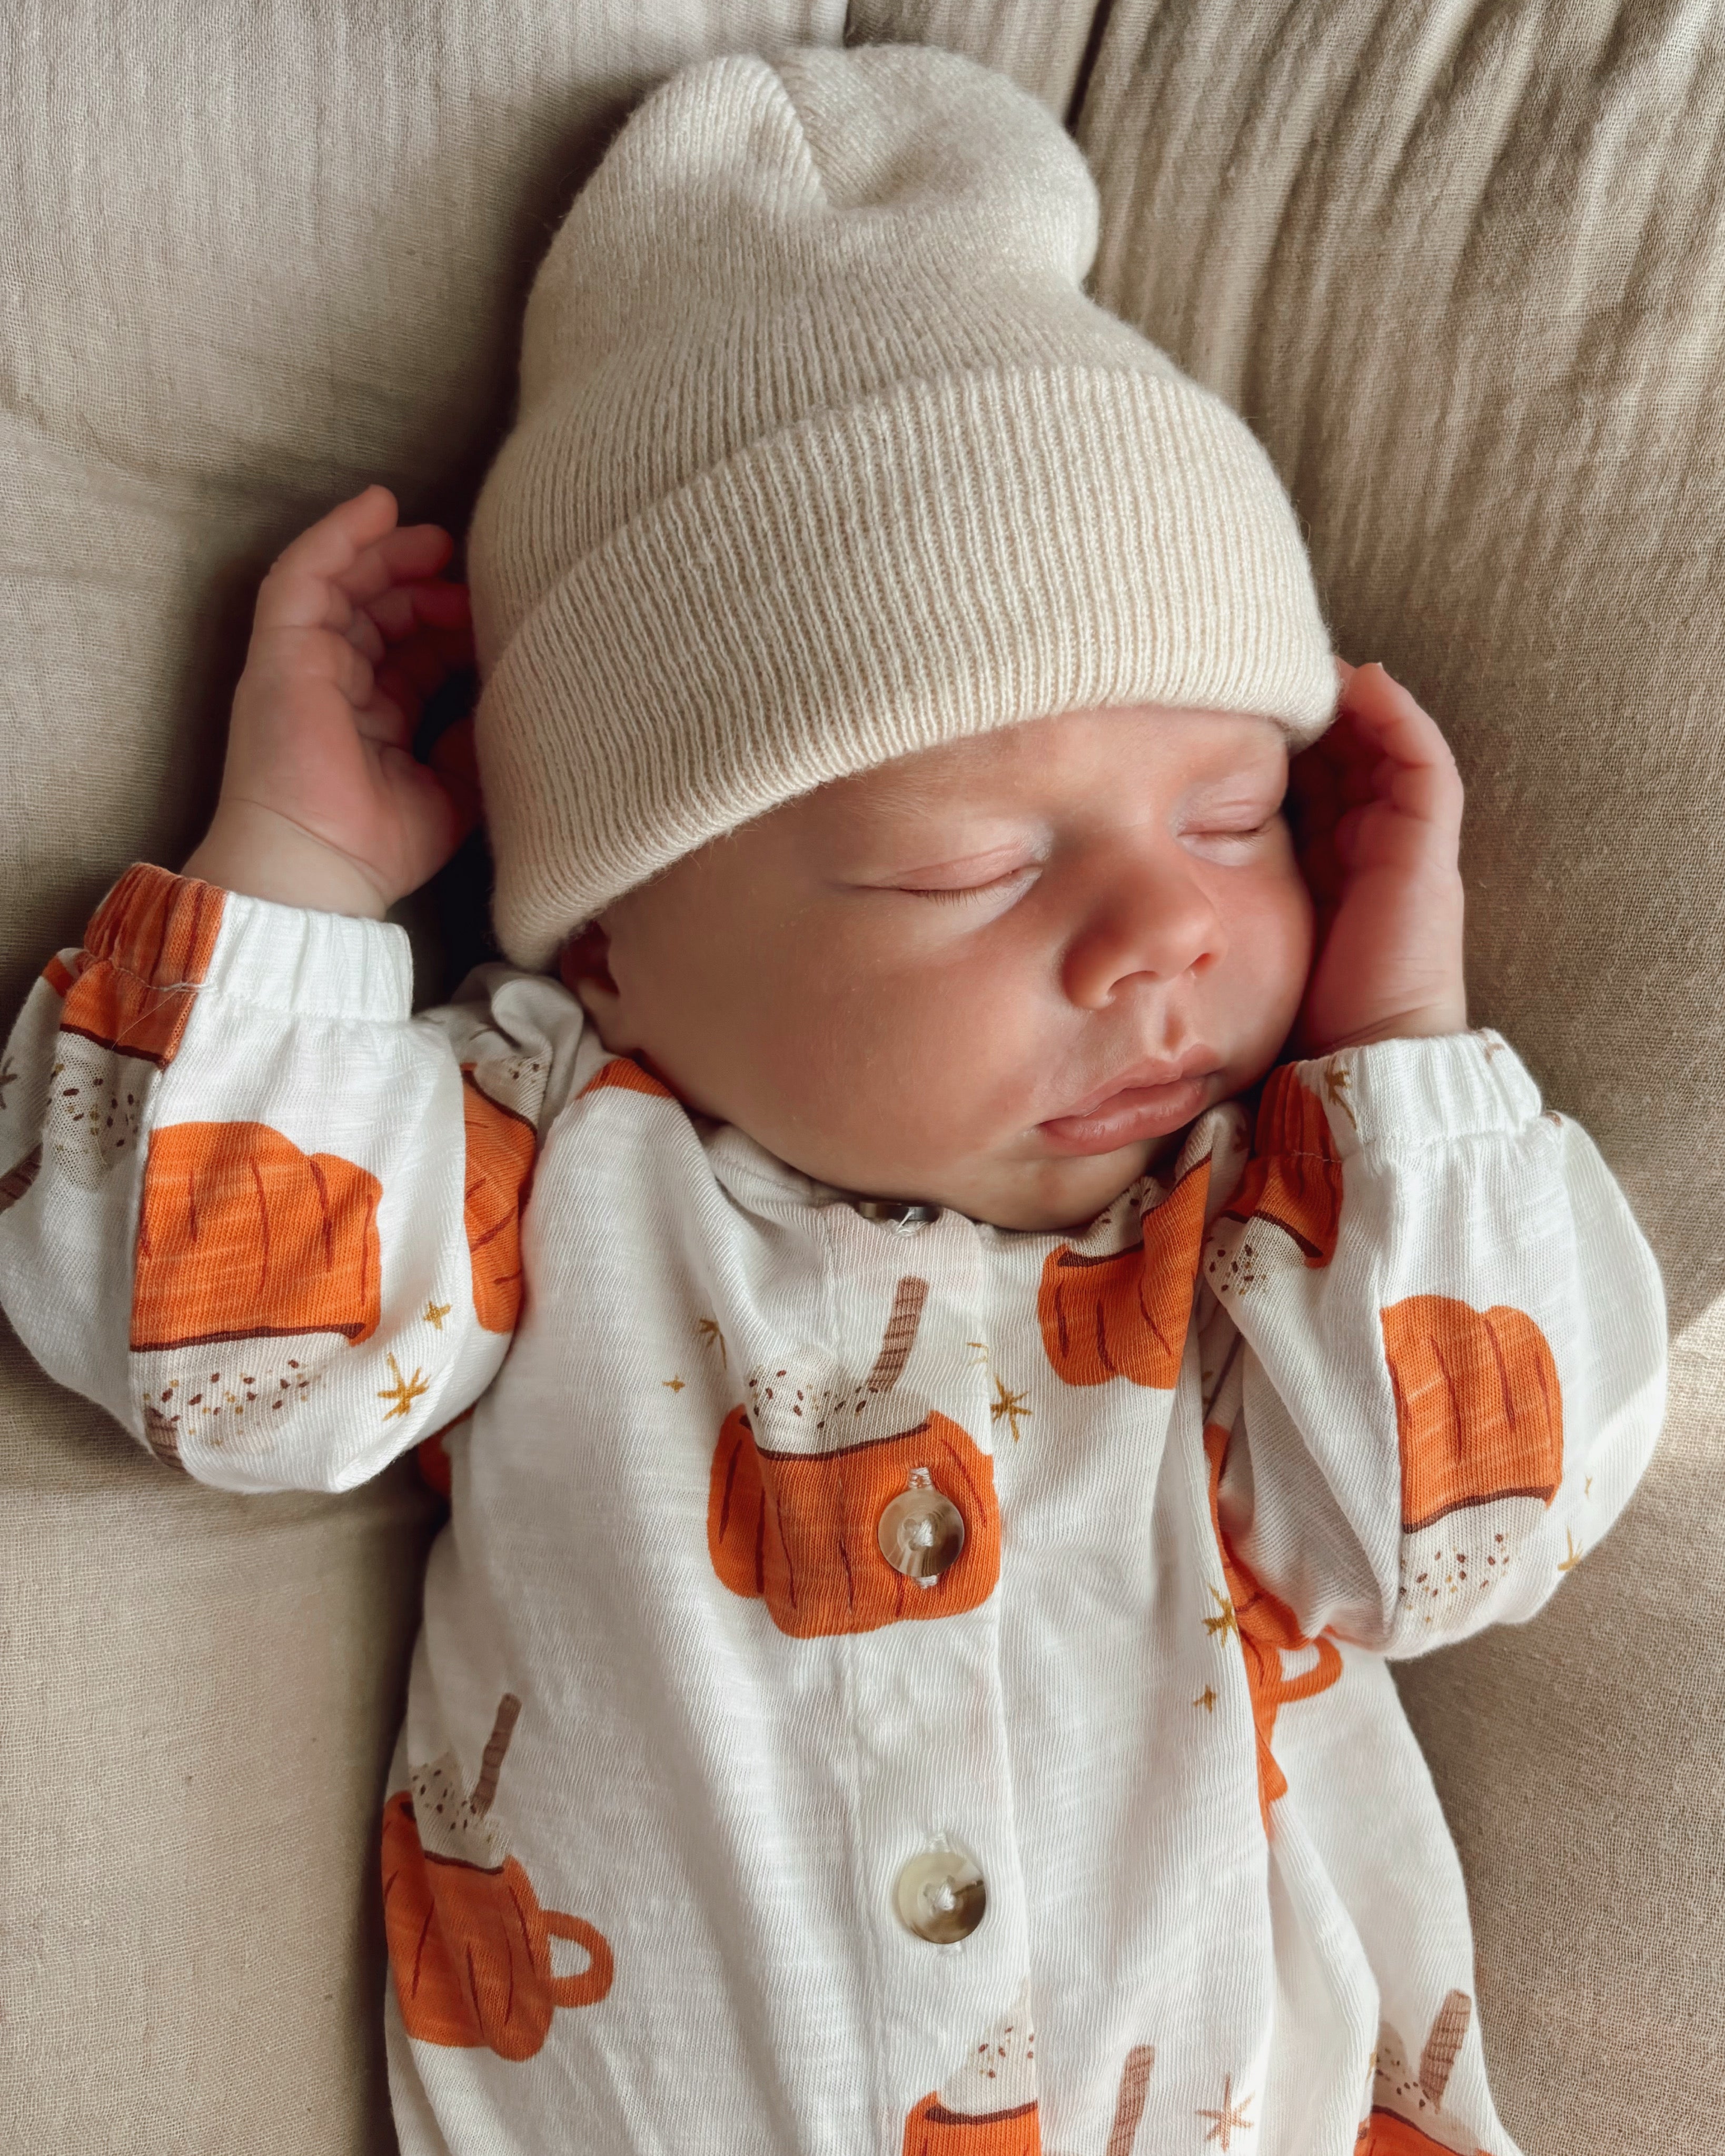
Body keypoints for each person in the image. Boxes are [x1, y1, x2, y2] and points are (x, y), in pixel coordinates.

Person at [0, 42, 1664, 2156]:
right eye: (974, 865)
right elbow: (200, 1338)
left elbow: (1466, 1530)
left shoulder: (1254, 1241)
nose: (1161, 928)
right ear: (612, 941)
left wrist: (1397, 1038)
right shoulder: (546, 1169)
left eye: (1235, 814)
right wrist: (303, 871)